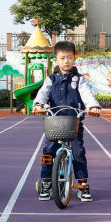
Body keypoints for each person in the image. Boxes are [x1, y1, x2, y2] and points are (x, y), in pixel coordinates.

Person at [32, 41, 102, 202]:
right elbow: (43, 93)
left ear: (74, 58)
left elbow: (87, 94)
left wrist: (93, 106)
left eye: (69, 57)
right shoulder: (50, 79)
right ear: (55, 60)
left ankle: (82, 184)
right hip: (54, 122)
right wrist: (38, 105)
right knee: (48, 151)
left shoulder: (79, 79)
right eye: (62, 58)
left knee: (78, 152)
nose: (66, 61)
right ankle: (46, 182)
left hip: (74, 123)